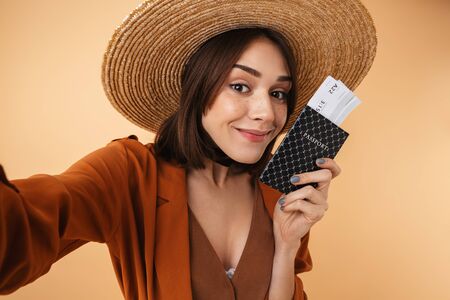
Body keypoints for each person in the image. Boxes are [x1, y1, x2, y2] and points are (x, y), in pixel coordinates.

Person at [0, 0, 377, 299]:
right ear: (197, 90)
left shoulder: (279, 191)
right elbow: (25, 224)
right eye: (241, 86)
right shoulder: (130, 173)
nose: (267, 114)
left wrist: (286, 245)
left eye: (278, 93)